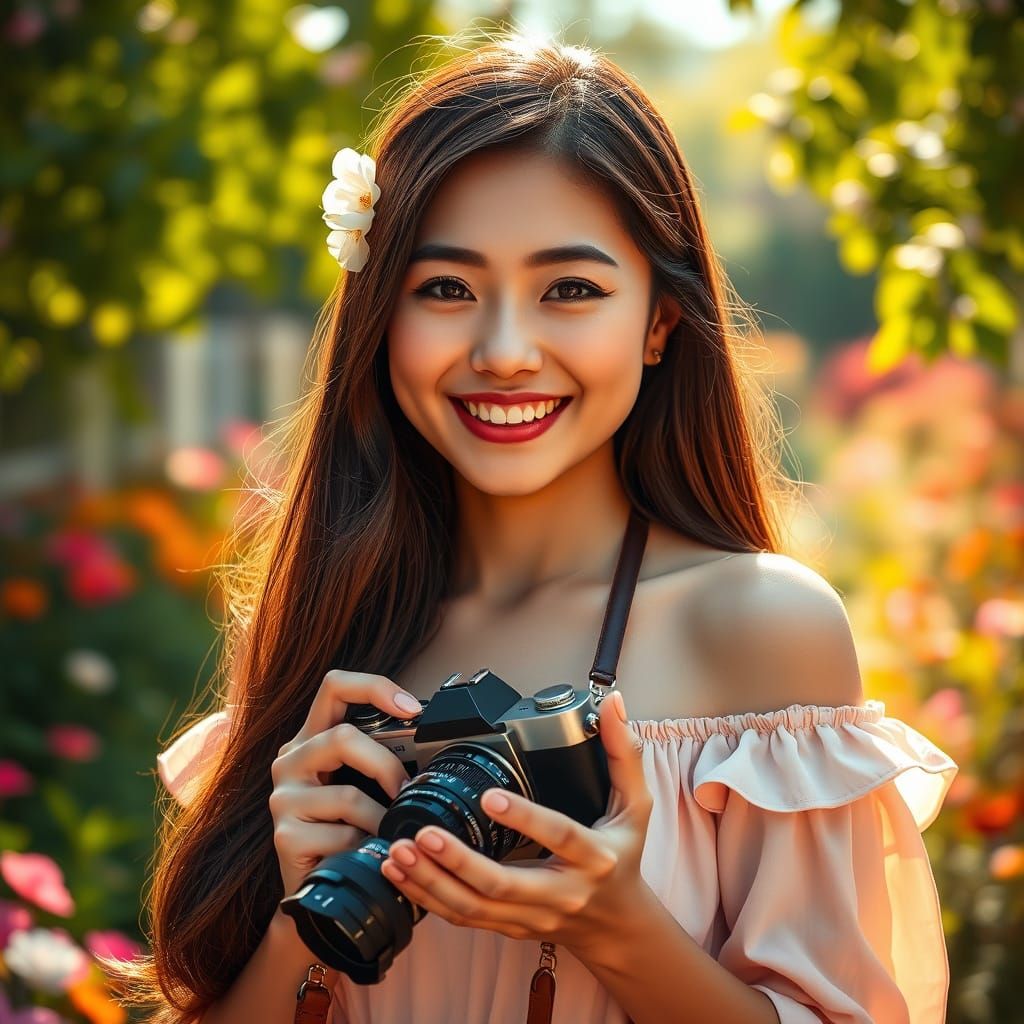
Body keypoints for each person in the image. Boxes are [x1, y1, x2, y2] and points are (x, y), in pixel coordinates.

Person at [119, 27, 959, 1024]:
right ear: (380, 312)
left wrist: (617, 927)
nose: (505, 349)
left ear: (657, 321)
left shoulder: (757, 630)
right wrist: (303, 923)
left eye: (570, 290)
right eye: (446, 289)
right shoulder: (321, 630)